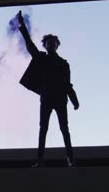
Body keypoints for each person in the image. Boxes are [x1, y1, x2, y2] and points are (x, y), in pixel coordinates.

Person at [16, 11, 80, 168]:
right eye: (48, 43)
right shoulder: (41, 58)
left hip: (60, 99)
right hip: (46, 97)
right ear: (45, 45)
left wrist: (74, 99)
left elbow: (68, 84)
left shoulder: (64, 64)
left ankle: (70, 159)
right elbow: (30, 46)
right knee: (43, 129)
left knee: (64, 129)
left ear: (57, 45)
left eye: (54, 42)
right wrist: (23, 27)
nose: (51, 44)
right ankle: (40, 160)